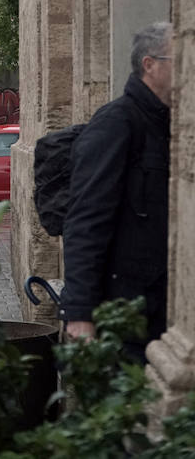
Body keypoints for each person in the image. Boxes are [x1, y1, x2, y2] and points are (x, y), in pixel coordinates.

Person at [59, 21, 172, 363]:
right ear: (149, 65)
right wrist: (79, 313)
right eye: (180, 60)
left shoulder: (169, 124)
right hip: (124, 314)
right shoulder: (116, 123)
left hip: (158, 310)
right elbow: (84, 221)